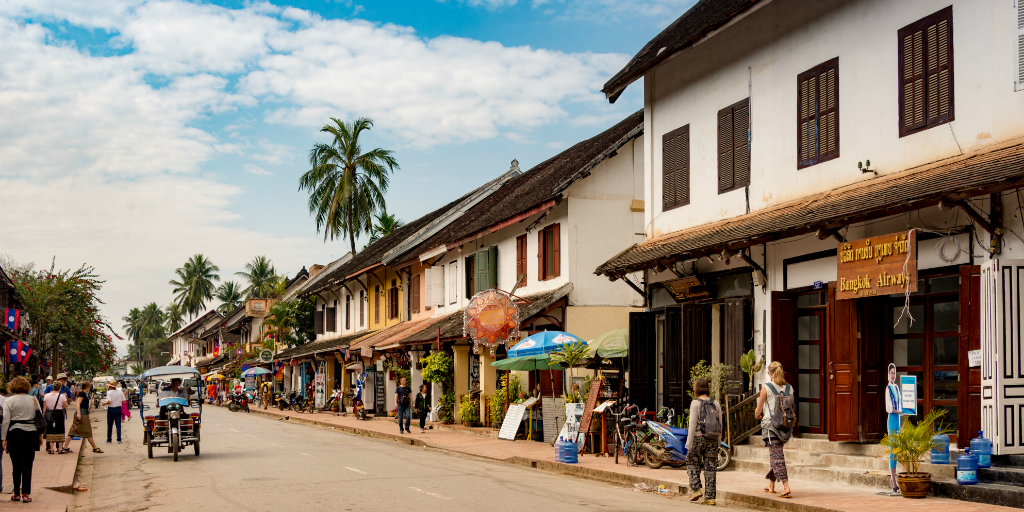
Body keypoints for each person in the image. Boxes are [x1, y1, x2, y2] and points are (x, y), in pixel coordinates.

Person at [754, 361, 793, 498]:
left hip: (771, 426)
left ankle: (786, 486)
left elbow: (758, 410)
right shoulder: (789, 388)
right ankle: (771, 485)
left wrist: (757, 414)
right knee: (775, 454)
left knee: (777, 456)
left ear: (770, 373)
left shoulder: (767, 387)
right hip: (785, 426)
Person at [3, 377, 44, 503]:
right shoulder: (33, 399)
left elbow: (5, 421)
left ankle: (16, 493)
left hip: (14, 434)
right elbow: (39, 417)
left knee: (16, 465)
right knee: (27, 464)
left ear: (12, 387)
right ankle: (26, 493)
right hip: (31, 434)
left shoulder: (9, 400)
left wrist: (3, 438)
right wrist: (40, 436)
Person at [686, 378, 722, 506]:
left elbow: (693, 424)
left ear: (697, 389)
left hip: (698, 437)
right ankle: (710, 498)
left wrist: (689, 443)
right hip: (712, 438)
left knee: (691, 461)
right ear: (707, 388)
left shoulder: (695, 403)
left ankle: (696, 489)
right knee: (710, 467)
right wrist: (718, 442)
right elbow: (720, 424)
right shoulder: (716, 403)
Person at [62, 381, 102, 455]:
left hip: (83, 414)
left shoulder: (84, 393)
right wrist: (79, 413)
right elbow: (78, 403)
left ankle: (65, 446)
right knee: (87, 431)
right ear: (87, 387)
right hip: (82, 414)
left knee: (73, 430)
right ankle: (95, 447)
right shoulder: (82, 393)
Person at [884, 363, 902, 494]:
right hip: (892, 418)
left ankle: (895, 478)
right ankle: (893, 480)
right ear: (888, 374)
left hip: (898, 420)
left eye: (894, 373)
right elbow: (889, 408)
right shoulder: (888, 388)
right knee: (892, 448)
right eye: (891, 373)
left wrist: (903, 411)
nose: (893, 375)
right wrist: (898, 411)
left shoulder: (897, 387)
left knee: (897, 448)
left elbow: (901, 404)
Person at [43, 381, 69, 454]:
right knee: (60, 430)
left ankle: (51, 449)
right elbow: (65, 406)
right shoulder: (62, 396)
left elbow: (44, 407)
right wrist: (66, 398)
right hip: (59, 414)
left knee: (50, 430)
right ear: (60, 388)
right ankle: (60, 448)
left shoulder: (46, 395)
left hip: (49, 414)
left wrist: (44, 415)